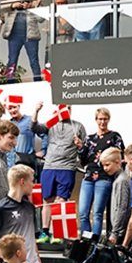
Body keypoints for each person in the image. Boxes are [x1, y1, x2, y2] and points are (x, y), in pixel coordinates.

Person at [32, 101, 85, 242]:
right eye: (63, 107)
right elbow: (35, 128)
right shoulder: (51, 124)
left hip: (67, 168)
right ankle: (44, 233)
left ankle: (59, 234)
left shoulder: (78, 126)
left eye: (69, 107)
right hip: (49, 166)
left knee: (61, 200)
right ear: (58, 109)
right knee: (47, 200)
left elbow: (84, 150)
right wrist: (36, 111)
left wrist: (80, 145)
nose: (66, 110)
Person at [77, 108, 123, 237]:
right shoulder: (89, 138)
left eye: (105, 119)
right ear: (96, 120)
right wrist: (80, 147)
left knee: (97, 213)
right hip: (88, 177)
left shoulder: (114, 136)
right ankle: (86, 241)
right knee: (83, 213)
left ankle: (95, 244)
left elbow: (119, 156)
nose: (102, 122)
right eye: (100, 119)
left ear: (108, 119)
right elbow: (83, 159)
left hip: (104, 177)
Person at [1, 0, 44, 81]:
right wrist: (12, 6)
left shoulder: (36, 0)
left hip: (31, 35)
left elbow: (41, 19)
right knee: (12, 60)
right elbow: (0, 9)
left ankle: (38, 82)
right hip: (14, 35)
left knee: (34, 60)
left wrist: (32, 8)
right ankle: (10, 82)